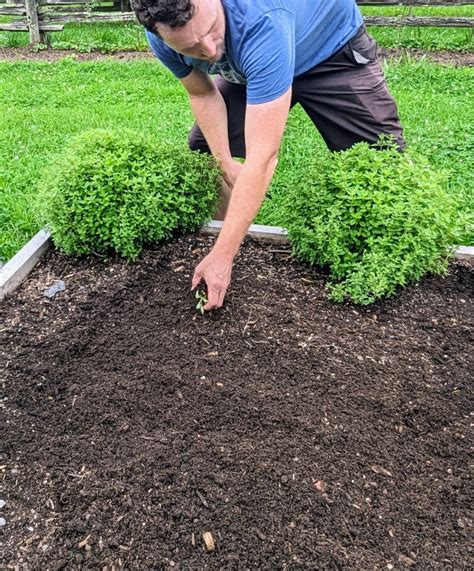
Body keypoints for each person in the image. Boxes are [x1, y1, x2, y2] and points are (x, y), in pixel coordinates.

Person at [131, 0, 405, 311]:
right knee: (205, 154)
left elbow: (263, 156)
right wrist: (223, 161)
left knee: (382, 162)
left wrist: (225, 258)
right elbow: (202, 92)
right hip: (251, 62)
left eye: (211, 31)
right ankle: (214, 241)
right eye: (192, 48)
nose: (208, 52)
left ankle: (385, 268)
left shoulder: (261, 21)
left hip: (329, 50)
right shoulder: (163, 35)